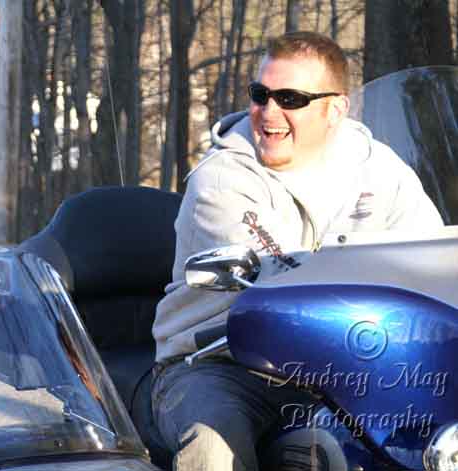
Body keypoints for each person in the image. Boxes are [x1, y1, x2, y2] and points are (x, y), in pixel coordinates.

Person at [150, 31, 443, 471]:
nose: (269, 112)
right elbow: (283, 284)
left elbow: (430, 256)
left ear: (335, 109)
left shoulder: (381, 170)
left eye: (290, 98)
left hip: (351, 364)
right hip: (223, 365)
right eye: (260, 94)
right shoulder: (221, 179)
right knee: (214, 443)